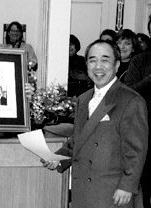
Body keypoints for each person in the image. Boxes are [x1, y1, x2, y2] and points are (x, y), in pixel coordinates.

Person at [42, 39, 148, 208]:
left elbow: (136, 151)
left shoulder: (132, 100)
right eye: (93, 60)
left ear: (117, 65)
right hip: (83, 189)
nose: (98, 66)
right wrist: (57, 158)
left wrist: (127, 187)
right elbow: (79, 140)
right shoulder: (83, 99)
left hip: (113, 192)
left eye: (105, 60)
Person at [124, 50, 151, 208]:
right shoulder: (140, 60)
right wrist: (148, 80)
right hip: (146, 125)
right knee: (146, 176)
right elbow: (129, 90)